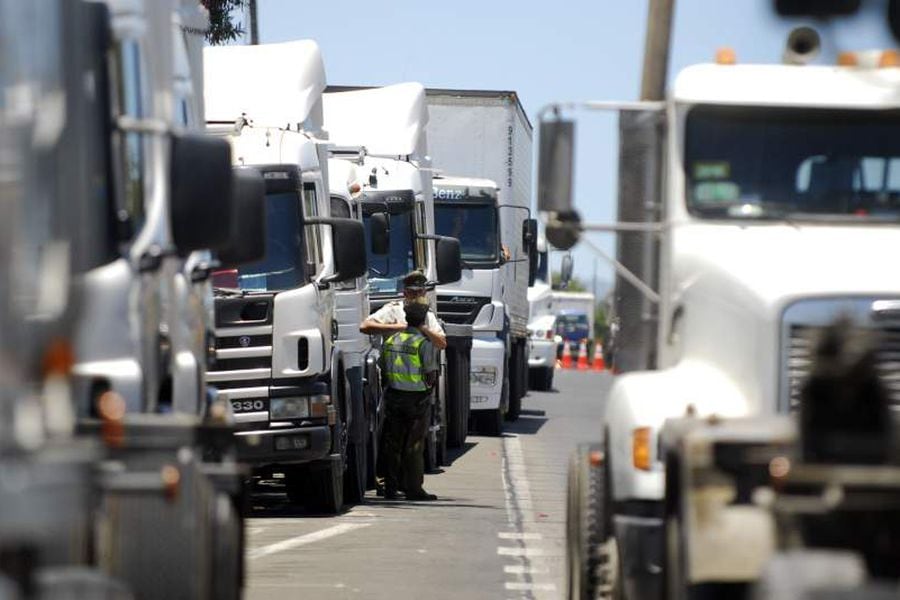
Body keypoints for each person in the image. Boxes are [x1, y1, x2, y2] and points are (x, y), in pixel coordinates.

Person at [380, 302, 439, 500]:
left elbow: (383, 366)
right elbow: (430, 374)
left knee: (393, 444)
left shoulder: (391, 340)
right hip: (416, 400)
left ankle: (390, 487)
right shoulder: (423, 343)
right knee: (414, 446)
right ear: (423, 321)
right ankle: (413, 489)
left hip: (394, 396)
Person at [360, 270, 447, 350]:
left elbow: (442, 344)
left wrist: (424, 329)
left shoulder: (428, 315)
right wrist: (399, 327)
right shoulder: (394, 310)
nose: (416, 295)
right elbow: (364, 327)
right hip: (394, 364)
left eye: (420, 292)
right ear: (405, 293)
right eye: (412, 292)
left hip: (420, 365)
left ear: (424, 293)